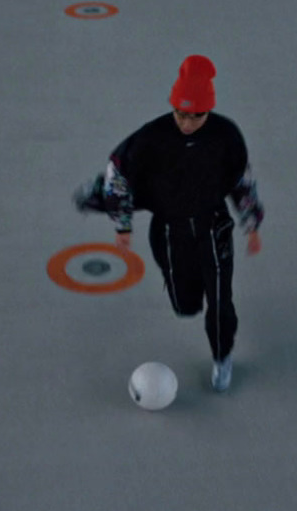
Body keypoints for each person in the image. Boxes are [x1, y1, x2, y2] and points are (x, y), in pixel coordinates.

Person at [75, 54, 264, 392]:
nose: (187, 123)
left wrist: (250, 223)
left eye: (196, 116)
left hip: (213, 224)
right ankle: (185, 297)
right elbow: (119, 172)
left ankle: (222, 355)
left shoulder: (226, 136)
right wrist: (122, 224)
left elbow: (242, 181)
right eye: (180, 114)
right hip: (168, 228)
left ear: (208, 110)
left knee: (220, 297)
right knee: (186, 304)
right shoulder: (152, 138)